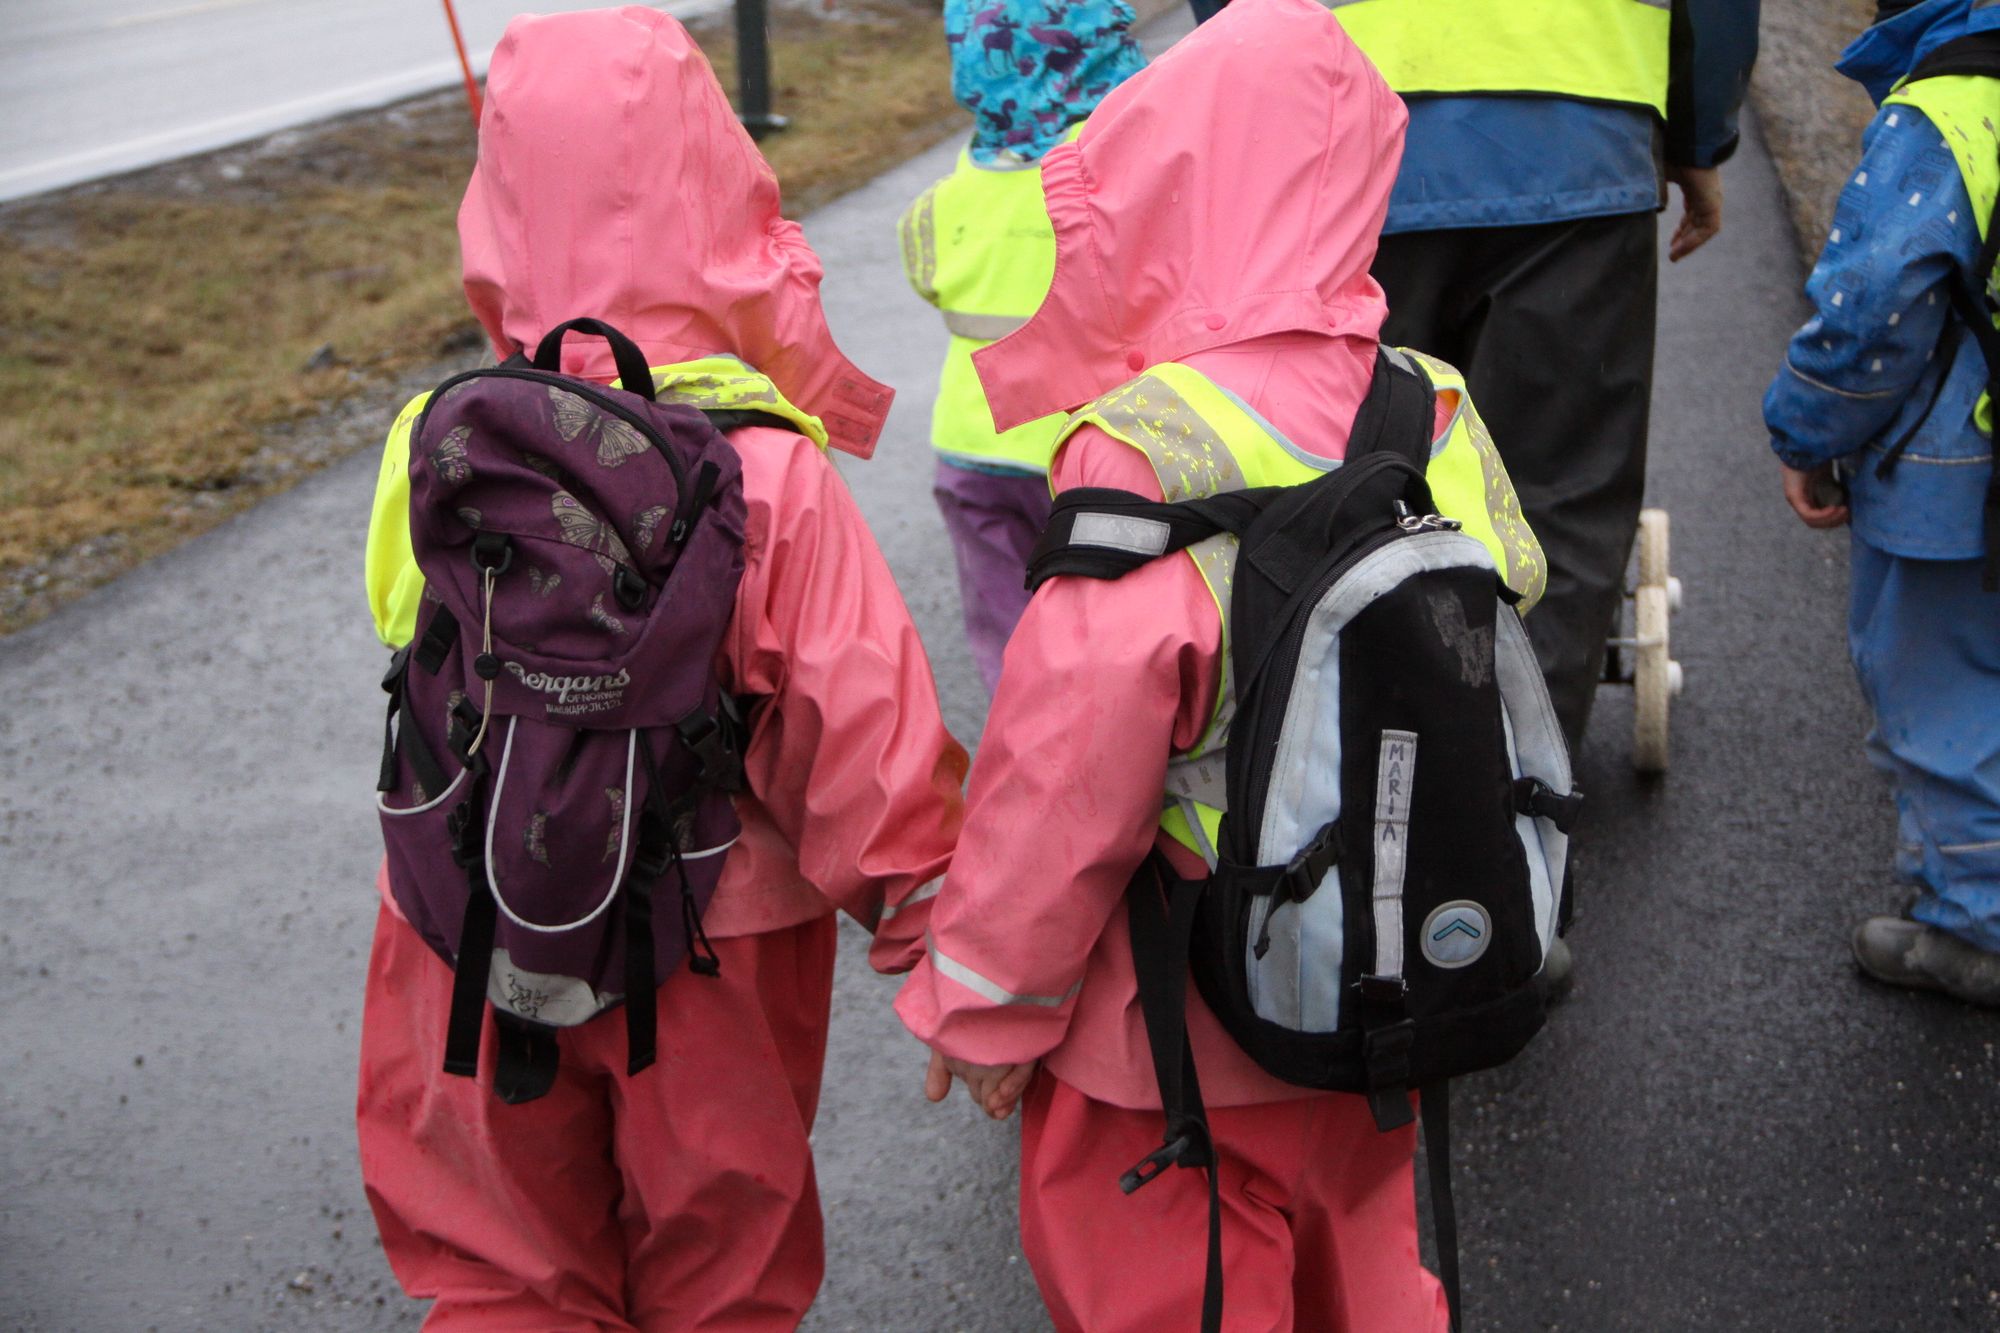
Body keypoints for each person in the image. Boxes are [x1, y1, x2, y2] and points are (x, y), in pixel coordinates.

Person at [895, 3, 1544, 1328]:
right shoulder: (1425, 402)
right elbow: (1514, 592)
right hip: (1364, 955)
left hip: (1168, 1005)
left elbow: (1070, 762)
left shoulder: (1144, 443)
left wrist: (986, 1003)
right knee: (1362, 1246)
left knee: (1166, 1276)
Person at [355, 9, 968, 1326]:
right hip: (709, 937)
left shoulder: (440, 438)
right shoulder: (766, 465)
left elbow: (407, 629)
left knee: (498, 1263)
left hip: (468, 911)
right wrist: (947, 954)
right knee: (721, 1269)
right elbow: (858, 735)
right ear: (719, 174)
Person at [1314, 0, 1760, 755]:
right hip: (1581, 129)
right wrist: (1696, 136)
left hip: (1358, 137)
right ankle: (1516, 810)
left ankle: (1359, 773)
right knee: (1556, 490)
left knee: (1360, 478)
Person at [1765, 0, 2000, 1008]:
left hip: (1957, 473)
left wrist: (1806, 436)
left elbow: (1869, 303)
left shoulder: (1946, 109)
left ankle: (1974, 925)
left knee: (1943, 691)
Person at [898, 0, 1147, 693]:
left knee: (1006, 625)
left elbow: (925, 273)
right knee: (1110, 618)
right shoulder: (1105, 177)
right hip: (1084, 448)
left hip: (971, 450)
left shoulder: (951, 192)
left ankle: (1024, 742)